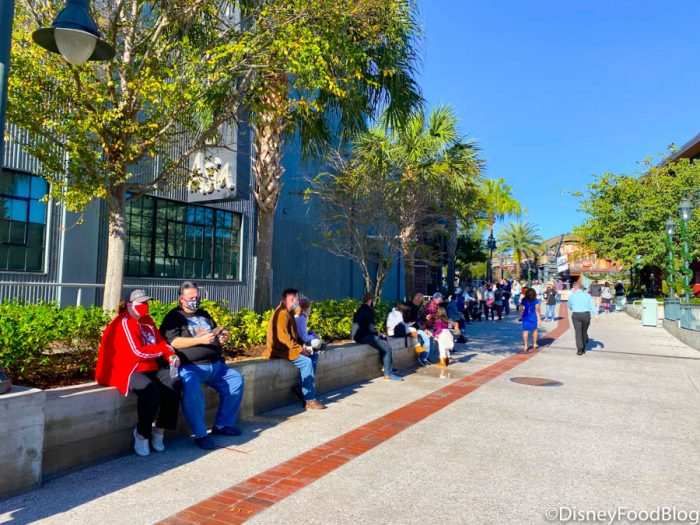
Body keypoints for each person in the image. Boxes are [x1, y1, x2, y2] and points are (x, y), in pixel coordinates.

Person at [96, 289, 182, 457]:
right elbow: (137, 352)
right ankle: (142, 433)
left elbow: (161, 342)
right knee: (150, 391)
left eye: (146, 302)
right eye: (141, 303)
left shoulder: (147, 320)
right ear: (129, 305)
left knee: (174, 383)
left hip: (150, 366)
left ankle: (159, 429)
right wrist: (164, 350)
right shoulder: (123, 323)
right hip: (129, 369)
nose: (145, 306)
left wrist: (171, 356)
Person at [160, 281, 245, 450]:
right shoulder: (174, 317)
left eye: (197, 297)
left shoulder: (204, 314)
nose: (195, 300)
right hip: (190, 367)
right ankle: (200, 434)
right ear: (181, 299)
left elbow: (214, 333)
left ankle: (222, 425)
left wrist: (221, 338)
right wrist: (200, 340)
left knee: (236, 380)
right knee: (191, 389)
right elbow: (173, 342)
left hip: (216, 366)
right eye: (191, 298)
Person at [265, 288, 325, 409]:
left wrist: (303, 346)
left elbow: (294, 335)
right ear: (291, 299)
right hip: (280, 349)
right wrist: (300, 349)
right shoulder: (281, 313)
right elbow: (284, 338)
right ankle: (309, 399)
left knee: (313, 356)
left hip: (288, 347)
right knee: (306, 362)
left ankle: (302, 386)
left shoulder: (289, 312)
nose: (297, 302)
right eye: (296, 299)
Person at [353, 293, 402, 381]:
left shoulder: (360, 309)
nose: (374, 302)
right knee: (388, 349)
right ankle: (388, 374)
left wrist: (379, 334)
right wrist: (379, 333)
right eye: (373, 300)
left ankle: (386, 366)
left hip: (358, 336)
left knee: (384, 340)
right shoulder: (368, 311)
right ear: (370, 300)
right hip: (365, 336)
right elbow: (371, 329)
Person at [568, 281, 600, 355]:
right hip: (586, 315)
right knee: (584, 331)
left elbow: (569, 306)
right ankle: (584, 345)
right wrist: (596, 315)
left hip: (576, 315)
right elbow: (592, 305)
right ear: (581, 288)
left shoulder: (572, 296)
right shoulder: (587, 295)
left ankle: (580, 349)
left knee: (578, 332)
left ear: (574, 288)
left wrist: (574, 308)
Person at [519, 287, 541, 353]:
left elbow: (520, 308)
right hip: (533, 317)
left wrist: (520, 316)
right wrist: (539, 319)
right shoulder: (535, 300)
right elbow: (537, 310)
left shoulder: (523, 300)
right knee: (534, 330)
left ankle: (526, 345)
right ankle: (534, 343)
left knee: (525, 331)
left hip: (525, 317)